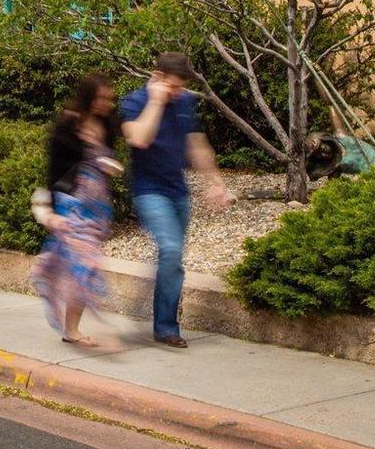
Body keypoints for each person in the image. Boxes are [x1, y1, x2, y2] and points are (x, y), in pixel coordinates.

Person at [118, 52, 230, 348]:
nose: (178, 92)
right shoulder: (134, 102)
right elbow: (139, 138)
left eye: (181, 87)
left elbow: (197, 144)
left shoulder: (183, 102)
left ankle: (162, 316)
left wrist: (214, 181)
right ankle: (167, 327)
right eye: (173, 86)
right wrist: (156, 100)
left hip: (178, 192)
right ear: (157, 77)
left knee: (174, 258)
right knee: (169, 249)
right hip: (148, 192)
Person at [30, 73, 122, 347]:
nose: (107, 103)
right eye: (102, 98)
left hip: (98, 208)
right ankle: (71, 330)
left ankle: (70, 325)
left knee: (81, 267)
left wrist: (111, 166)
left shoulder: (106, 124)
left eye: (109, 99)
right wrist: (49, 210)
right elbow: (53, 171)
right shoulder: (67, 126)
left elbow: (110, 161)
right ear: (88, 98)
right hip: (72, 206)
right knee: (86, 264)